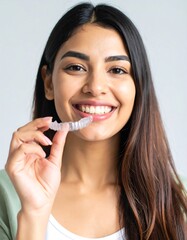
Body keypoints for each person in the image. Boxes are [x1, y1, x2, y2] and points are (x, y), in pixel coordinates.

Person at [0, 2, 186, 240]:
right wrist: (34, 214)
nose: (96, 87)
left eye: (117, 70)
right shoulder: (7, 193)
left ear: (138, 86)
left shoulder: (180, 200)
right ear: (48, 83)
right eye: (76, 67)